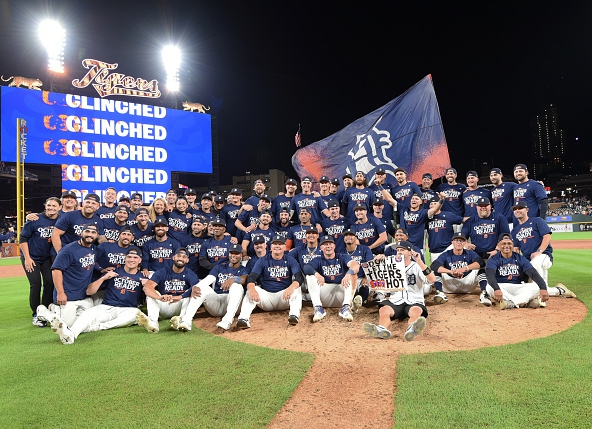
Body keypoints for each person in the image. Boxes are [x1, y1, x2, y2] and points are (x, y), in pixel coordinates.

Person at [49, 247, 148, 344]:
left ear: (140, 260)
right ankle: (71, 335)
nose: (131, 260)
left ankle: (96, 327)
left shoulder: (143, 277)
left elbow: (148, 301)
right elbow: (89, 292)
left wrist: (147, 287)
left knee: (136, 314)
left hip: (127, 309)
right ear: (125, 258)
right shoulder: (114, 272)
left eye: (135, 258)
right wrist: (103, 278)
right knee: (88, 314)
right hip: (107, 307)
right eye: (129, 257)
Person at [362, 240, 436, 341]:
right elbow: (376, 278)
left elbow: (432, 279)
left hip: (414, 300)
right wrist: (377, 263)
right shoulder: (390, 265)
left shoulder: (417, 266)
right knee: (384, 310)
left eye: (402, 250)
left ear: (410, 252)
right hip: (395, 300)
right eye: (398, 250)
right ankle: (381, 329)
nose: (399, 252)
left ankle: (412, 329)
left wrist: (419, 261)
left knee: (416, 311)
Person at [171, 244, 248, 331]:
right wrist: (196, 287)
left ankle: (227, 320)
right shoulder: (220, 267)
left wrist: (234, 279)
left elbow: (244, 279)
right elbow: (209, 279)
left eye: (236, 253)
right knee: (200, 287)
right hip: (217, 302)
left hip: (234, 303)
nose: (233, 256)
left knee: (236, 286)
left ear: (241, 255)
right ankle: (186, 321)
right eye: (231, 253)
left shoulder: (244, 269)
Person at [511, 201, 576, 303]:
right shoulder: (514, 231)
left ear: (527, 210)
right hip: (528, 261)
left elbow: (547, 236)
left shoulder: (537, 221)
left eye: (520, 208)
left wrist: (539, 251)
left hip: (544, 256)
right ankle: (558, 290)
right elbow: (516, 249)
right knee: (525, 285)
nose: (517, 210)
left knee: (536, 262)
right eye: (515, 209)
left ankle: (540, 299)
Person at [36, 224, 99, 327]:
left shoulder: (94, 249)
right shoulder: (68, 250)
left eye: (93, 232)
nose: (89, 235)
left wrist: (102, 269)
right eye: (87, 231)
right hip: (68, 296)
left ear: (97, 235)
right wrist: (60, 293)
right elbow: (56, 271)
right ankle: (43, 312)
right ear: (81, 233)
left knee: (87, 323)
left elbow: (92, 263)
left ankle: (54, 309)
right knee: (67, 325)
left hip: (84, 296)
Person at [236, 235, 304, 328]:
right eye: (275, 244)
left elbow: (299, 277)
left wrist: (291, 288)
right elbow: (252, 277)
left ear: (284, 247)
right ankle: (243, 319)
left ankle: (294, 315)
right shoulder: (263, 260)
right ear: (271, 247)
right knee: (251, 289)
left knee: (296, 288)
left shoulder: (290, 260)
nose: (277, 246)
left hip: (284, 297)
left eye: (280, 244)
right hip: (266, 298)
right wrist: (252, 289)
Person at [19, 197, 61, 327]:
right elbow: (23, 238)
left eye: (54, 206)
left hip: (47, 257)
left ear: (59, 207)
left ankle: (46, 309)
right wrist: (27, 258)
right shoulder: (35, 219)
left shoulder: (61, 220)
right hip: (31, 257)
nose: (51, 208)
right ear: (45, 206)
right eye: (49, 205)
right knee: (35, 284)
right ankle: (36, 313)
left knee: (49, 282)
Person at [136, 248, 197, 333]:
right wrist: (159, 297)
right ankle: (153, 323)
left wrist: (180, 297)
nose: (180, 259)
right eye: (178, 256)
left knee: (190, 294)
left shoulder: (190, 274)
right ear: (173, 257)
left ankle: (180, 320)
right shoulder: (162, 272)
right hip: (164, 304)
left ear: (187, 260)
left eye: (184, 257)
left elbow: (196, 289)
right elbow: (147, 287)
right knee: (151, 294)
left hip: (178, 305)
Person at [303, 235, 360, 322]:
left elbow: (355, 265)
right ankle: (318, 308)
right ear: (321, 247)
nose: (328, 246)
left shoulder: (342, 257)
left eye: (330, 244)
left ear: (334, 246)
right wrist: (316, 274)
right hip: (325, 295)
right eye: (325, 244)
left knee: (353, 274)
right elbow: (306, 268)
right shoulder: (318, 259)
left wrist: (349, 273)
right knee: (310, 276)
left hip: (341, 294)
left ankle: (346, 307)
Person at [486, 233, 549, 309]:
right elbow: (490, 275)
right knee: (489, 287)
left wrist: (543, 288)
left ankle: (511, 303)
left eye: (509, 243)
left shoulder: (520, 258)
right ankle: (523, 302)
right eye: (503, 244)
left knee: (537, 287)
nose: (507, 246)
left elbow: (533, 273)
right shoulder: (494, 259)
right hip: (501, 286)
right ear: (498, 245)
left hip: (518, 287)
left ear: (513, 244)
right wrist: (496, 289)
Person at [430, 233, 487, 305]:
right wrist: (451, 272)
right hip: (450, 284)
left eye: (461, 241)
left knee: (481, 269)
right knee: (437, 270)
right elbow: (434, 265)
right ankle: (439, 292)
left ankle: (484, 294)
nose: (459, 242)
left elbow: (481, 262)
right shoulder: (446, 254)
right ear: (452, 242)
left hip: (468, 284)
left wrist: (465, 268)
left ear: (465, 243)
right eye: (456, 240)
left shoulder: (470, 253)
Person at [426, 195, 464, 263]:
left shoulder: (448, 215)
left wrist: (476, 219)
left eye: (435, 203)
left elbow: (463, 220)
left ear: (440, 205)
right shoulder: (426, 218)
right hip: (434, 250)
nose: (433, 205)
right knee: (436, 271)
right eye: (431, 204)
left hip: (448, 247)